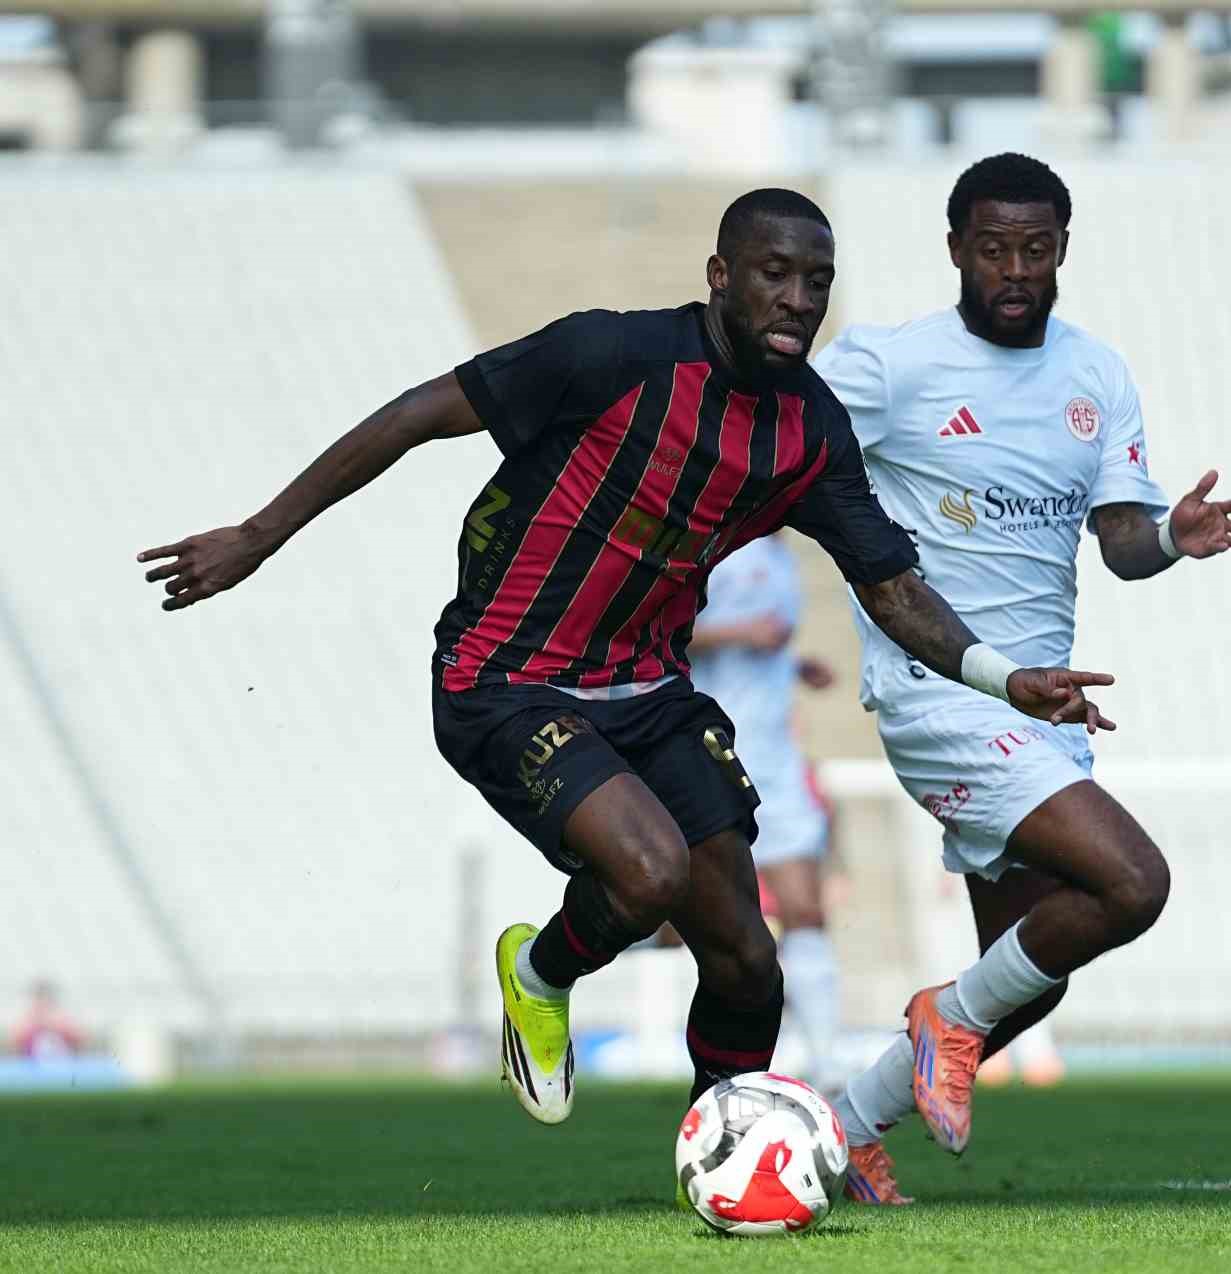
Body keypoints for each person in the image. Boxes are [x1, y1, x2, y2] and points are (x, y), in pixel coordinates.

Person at [137, 187, 1117, 1134]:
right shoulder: (609, 352)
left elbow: (891, 583)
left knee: (747, 959)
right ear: (719, 275)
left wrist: (1003, 675)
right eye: (774, 274)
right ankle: (540, 974)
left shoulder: (808, 427)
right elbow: (415, 413)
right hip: (504, 676)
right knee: (648, 874)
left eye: (817, 281)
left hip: (650, 690)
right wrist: (260, 533)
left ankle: (726, 1150)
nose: (798, 300)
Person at [813, 154, 1231, 1204]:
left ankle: (840, 1125)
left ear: (1063, 246)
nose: (1014, 268)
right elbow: (774, 447)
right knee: (1131, 882)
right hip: (940, 687)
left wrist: (1170, 536)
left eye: (1036, 247)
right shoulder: (886, 364)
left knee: (1021, 975)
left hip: (1044, 704)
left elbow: (1118, 543)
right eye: (992, 247)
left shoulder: (1095, 373)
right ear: (957, 248)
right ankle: (940, 1020)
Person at [689, 533, 844, 1091]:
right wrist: (741, 634)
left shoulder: (783, 554)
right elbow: (658, 636)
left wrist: (795, 666)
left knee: (805, 907)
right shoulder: (714, 547)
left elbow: (758, 651)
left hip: (776, 759)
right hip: (714, 755)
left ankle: (827, 1066)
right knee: (698, 920)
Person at [9, 981, 85, 1060]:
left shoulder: (62, 1018)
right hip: (32, 1066)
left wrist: (55, 1026)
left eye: (46, 1001)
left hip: (62, 1065)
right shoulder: (29, 1019)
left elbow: (79, 1039)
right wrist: (37, 1025)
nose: (43, 1005)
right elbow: (16, 1041)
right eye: (40, 1000)